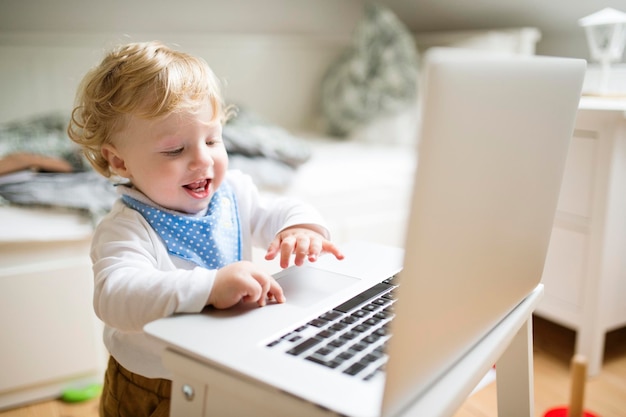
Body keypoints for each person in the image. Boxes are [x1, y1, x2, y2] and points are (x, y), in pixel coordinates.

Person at [67, 41, 344, 417]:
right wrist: (209, 287)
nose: (202, 160)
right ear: (120, 161)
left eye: (212, 140)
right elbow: (116, 296)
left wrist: (301, 227)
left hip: (224, 367)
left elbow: (278, 210)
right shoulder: (126, 228)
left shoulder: (233, 194)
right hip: (154, 383)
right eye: (174, 150)